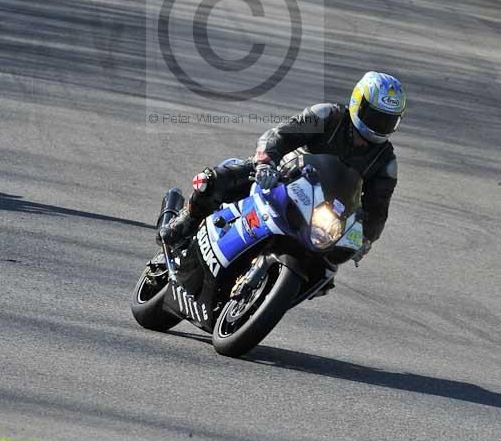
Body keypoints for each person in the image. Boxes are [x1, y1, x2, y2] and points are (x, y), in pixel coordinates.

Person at [161, 72, 406, 283]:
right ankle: (188, 219)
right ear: (357, 103)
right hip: (282, 178)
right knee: (213, 180)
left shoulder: (385, 162)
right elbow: (279, 136)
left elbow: (378, 208)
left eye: (388, 121)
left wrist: (365, 238)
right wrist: (266, 164)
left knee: (329, 267)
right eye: (375, 117)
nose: (380, 126)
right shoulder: (327, 116)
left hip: (325, 215)